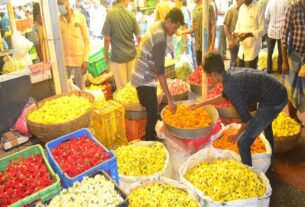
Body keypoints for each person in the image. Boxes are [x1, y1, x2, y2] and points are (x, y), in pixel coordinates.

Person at [191, 53, 288, 166]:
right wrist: (201, 104)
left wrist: (237, 135)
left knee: (243, 142)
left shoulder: (231, 87)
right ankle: (272, 160)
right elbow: (224, 96)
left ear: (213, 74)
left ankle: (249, 174)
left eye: (208, 76)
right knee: (265, 123)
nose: (208, 79)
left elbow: (247, 120)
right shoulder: (230, 73)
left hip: (274, 100)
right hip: (276, 91)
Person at [131, 8, 184, 141]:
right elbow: (160, 72)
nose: (175, 31)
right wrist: (170, 100)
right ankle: (149, 139)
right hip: (144, 78)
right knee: (153, 111)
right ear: (169, 21)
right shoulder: (161, 37)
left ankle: (151, 135)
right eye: (175, 27)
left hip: (143, 72)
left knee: (152, 107)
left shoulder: (158, 25)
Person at [102, 0, 141, 90]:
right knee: (132, 87)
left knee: (122, 89)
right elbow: (139, 37)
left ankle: (125, 104)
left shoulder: (110, 15)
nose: (129, 2)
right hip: (131, 56)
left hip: (118, 58)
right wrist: (139, 52)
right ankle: (133, 104)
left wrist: (106, 55)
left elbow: (107, 39)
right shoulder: (131, 15)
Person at [281, 0, 305, 124]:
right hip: (294, 56)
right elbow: (284, 37)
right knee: (292, 89)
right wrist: (284, 61)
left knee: (303, 90)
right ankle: (292, 118)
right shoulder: (293, 8)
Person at [58, 0, 90, 90]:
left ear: (67, 2)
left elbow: (87, 41)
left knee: (81, 89)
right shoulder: (57, 20)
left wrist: (86, 60)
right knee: (65, 89)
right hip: (64, 62)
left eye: (61, 3)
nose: (60, 6)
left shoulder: (80, 17)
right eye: (58, 4)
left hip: (79, 62)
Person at [181, 0, 216, 66]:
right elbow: (193, 28)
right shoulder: (194, 10)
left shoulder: (209, 7)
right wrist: (182, 32)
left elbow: (213, 25)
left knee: (208, 68)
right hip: (198, 46)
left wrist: (212, 44)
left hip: (207, 45)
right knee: (199, 68)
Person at [234, 0, 265, 69]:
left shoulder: (258, 7)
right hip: (242, 48)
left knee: (249, 75)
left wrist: (249, 34)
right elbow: (238, 25)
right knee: (239, 72)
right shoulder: (242, 8)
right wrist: (236, 34)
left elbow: (263, 30)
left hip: (252, 49)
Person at [265, 0, 289, 74]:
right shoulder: (286, 2)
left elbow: (266, 18)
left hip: (271, 31)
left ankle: (269, 69)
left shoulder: (270, 2)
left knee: (269, 52)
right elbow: (288, 17)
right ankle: (280, 70)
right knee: (281, 53)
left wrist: (270, 21)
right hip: (281, 32)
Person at [224, 0, 243, 67]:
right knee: (233, 62)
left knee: (241, 63)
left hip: (243, 42)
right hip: (233, 41)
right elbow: (225, 26)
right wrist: (230, 40)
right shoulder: (231, 10)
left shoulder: (245, 9)